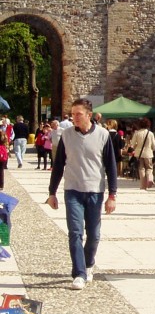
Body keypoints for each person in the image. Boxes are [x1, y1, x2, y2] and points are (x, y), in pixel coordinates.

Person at [46, 98, 117, 290]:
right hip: (73, 191)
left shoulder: (103, 135)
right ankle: (79, 273)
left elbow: (111, 166)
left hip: (95, 191)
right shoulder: (67, 135)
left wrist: (113, 195)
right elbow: (58, 165)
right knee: (75, 232)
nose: (74, 117)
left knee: (93, 234)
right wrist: (52, 192)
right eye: (73, 114)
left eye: (78, 114)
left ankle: (88, 263)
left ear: (89, 115)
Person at [129, 117, 155, 190]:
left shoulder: (137, 133)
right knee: (149, 168)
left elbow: (132, 144)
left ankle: (143, 186)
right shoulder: (150, 134)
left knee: (141, 168)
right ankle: (150, 179)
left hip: (139, 153)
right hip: (148, 153)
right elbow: (154, 145)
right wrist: (153, 149)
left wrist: (134, 149)